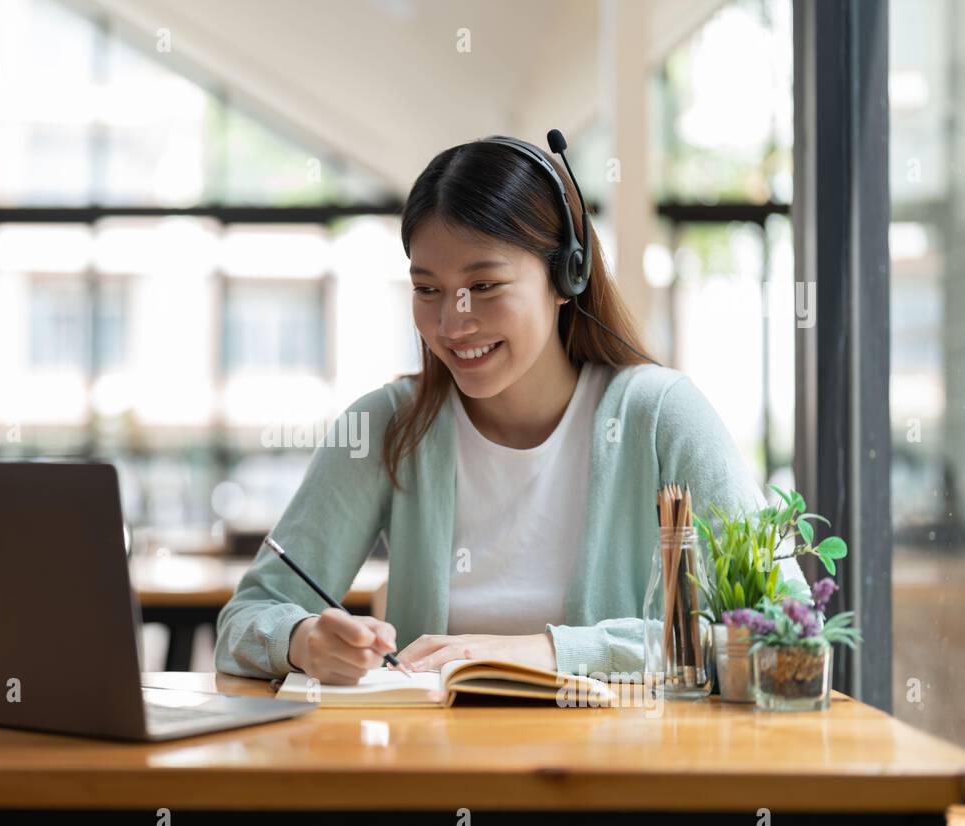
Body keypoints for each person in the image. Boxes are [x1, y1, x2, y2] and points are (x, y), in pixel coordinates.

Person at [215, 133, 800, 685]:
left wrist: (553, 652)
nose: (451, 322)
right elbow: (248, 618)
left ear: (565, 276)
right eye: (427, 289)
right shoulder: (385, 425)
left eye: (485, 286)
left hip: (612, 777)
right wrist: (301, 638)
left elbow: (788, 631)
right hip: (435, 774)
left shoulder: (661, 416)